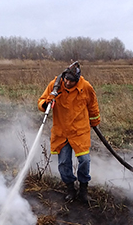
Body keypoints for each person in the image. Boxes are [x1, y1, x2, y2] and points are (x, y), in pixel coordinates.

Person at [38, 61, 101, 203]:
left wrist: (95, 122)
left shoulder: (86, 87)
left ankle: (83, 190)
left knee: (84, 160)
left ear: (77, 80)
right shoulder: (55, 85)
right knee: (63, 163)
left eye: (71, 81)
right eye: (66, 79)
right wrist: (46, 103)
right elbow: (41, 101)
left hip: (79, 131)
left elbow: (93, 105)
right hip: (61, 132)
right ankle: (70, 189)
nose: (67, 83)